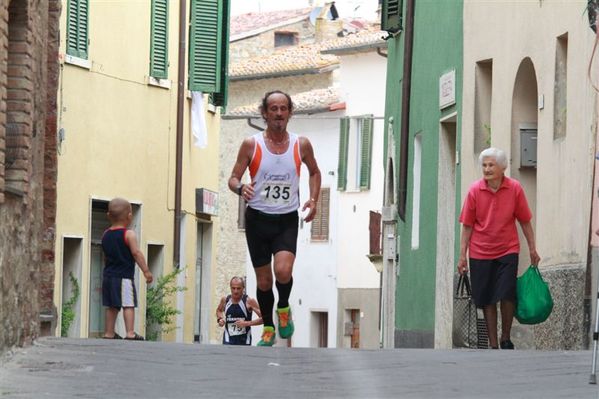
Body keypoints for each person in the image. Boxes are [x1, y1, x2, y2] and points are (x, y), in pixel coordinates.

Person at [228, 90, 321, 346]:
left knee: (282, 270)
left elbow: (314, 172)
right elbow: (233, 177)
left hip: (286, 219)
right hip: (257, 219)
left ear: (290, 112)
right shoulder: (252, 144)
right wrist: (240, 187)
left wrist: (313, 200)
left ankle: (283, 307)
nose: (279, 114)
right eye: (274, 109)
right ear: (265, 113)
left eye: (283, 108)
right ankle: (268, 327)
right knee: (264, 280)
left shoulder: (300, 144)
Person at [457, 148, 540, 350]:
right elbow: (467, 225)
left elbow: (525, 221)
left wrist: (532, 249)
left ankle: (505, 337)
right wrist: (462, 256)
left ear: (503, 167)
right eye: (484, 165)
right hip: (480, 252)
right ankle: (493, 343)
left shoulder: (515, 189)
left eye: (491, 165)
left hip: (507, 249)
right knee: (487, 298)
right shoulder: (475, 191)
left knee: (506, 293)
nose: (486, 169)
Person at [101, 197, 153, 340]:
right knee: (128, 304)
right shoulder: (128, 234)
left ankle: (109, 333)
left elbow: (105, 255)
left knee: (111, 305)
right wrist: (146, 271)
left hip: (108, 276)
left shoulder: (105, 234)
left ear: (108, 216)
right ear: (130, 216)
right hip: (124, 276)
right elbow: (136, 253)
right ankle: (130, 332)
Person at [216, 276, 263, 345]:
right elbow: (219, 310)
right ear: (230, 288)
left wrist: (247, 323)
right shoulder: (225, 300)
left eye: (238, 288)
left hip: (244, 341)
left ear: (243, 288)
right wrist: (220, 319)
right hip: (228, 340)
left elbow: (264, 318)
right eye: (233, 288)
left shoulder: (249, 301)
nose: (235, 291)